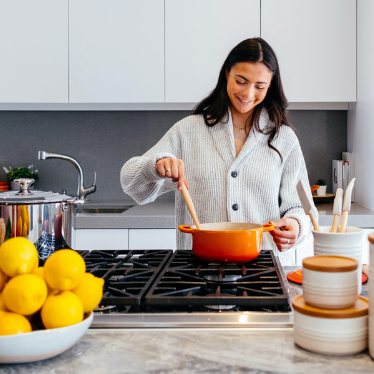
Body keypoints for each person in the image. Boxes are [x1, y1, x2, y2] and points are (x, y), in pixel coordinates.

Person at [120, 37, 318, 265]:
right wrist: (155, 166)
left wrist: (295, 225)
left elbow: (302, 207)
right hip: (196, 272)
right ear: (227, 73)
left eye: (260, 86)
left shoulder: (283, 138)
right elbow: (130, 182)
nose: (248, 93)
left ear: (270, 85)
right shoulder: (189, 130)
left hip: (264, 273)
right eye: (241, 81)